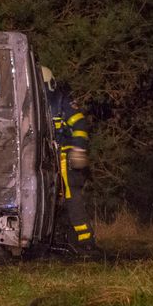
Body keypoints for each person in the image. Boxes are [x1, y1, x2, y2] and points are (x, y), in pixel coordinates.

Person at [41, 66, 104, 259]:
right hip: (49, 158)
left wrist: (78, 150)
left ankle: (85, 241)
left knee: (72, 196)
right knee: (52, 199)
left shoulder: (62, 102)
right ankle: (62, 239)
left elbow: (79, 124)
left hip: (65, 156)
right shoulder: (36, 103)